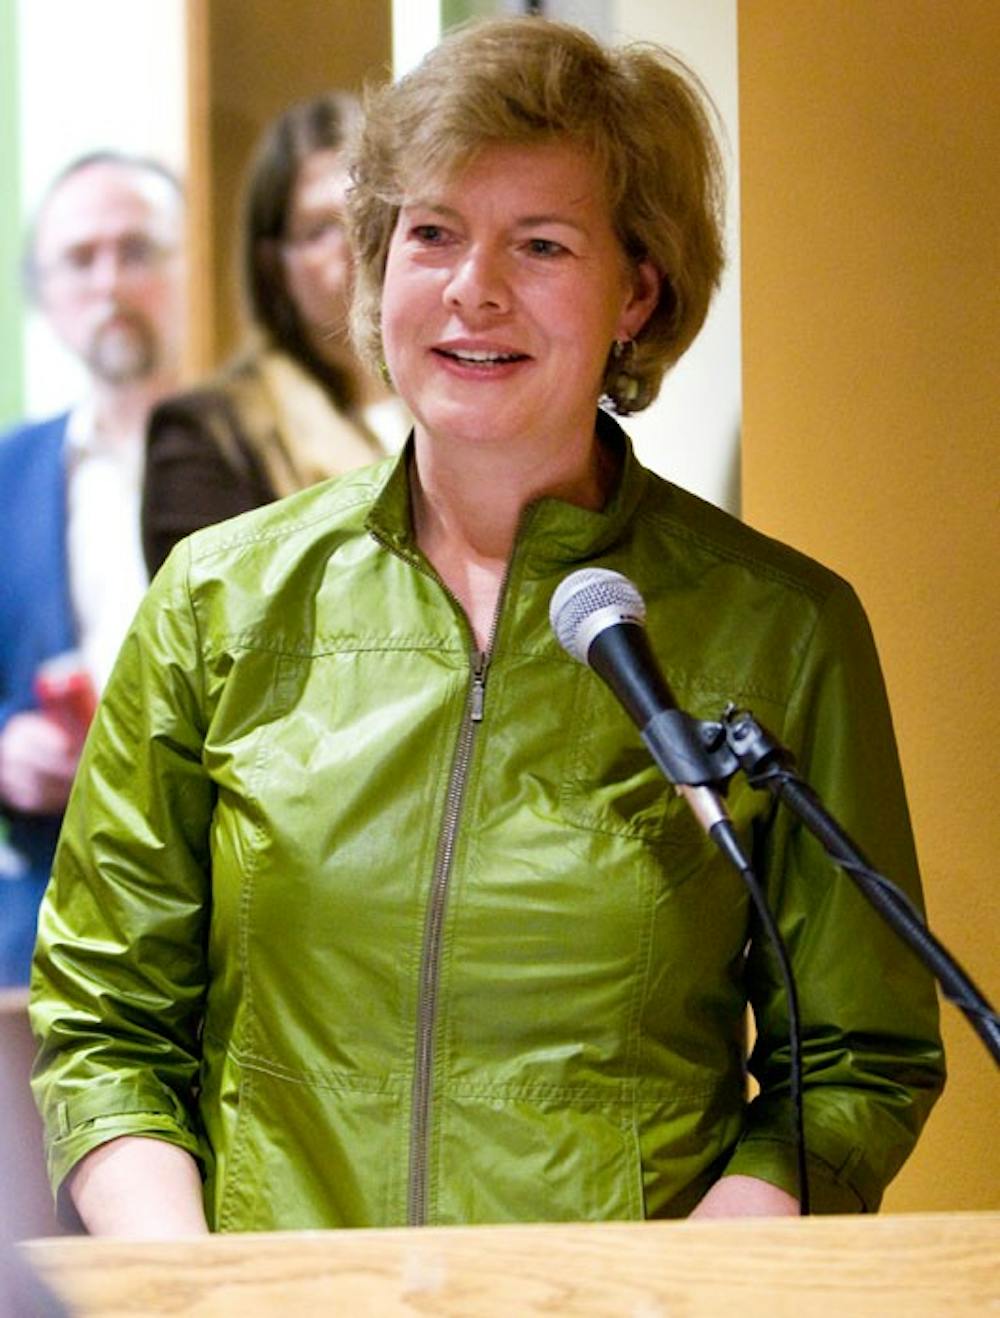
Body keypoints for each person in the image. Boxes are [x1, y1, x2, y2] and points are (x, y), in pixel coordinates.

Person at [30, 18, 943, 1236]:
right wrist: (198, 1289)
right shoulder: (216, 600)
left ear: (637, 292)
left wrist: (696, 1287)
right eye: (433, 234)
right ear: (377, 268)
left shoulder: (780, 626)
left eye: (541, 243)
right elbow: (105, 1025)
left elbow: (853, 1057)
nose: (474, 288)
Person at [0, 151, 185, 986]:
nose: (109, 282)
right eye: (80, 259)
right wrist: (7, 747)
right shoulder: (9, 475)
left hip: (236, 914)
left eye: (136, 250)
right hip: (51, 920)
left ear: (188, 265)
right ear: (44, 293)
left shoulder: (257, 456)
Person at [141, 93, 407, 577]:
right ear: (272, 264)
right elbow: (205, 616)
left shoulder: (454, 402)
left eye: (370, 214)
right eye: (319, 230)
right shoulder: (204, 436)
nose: (354, 246)